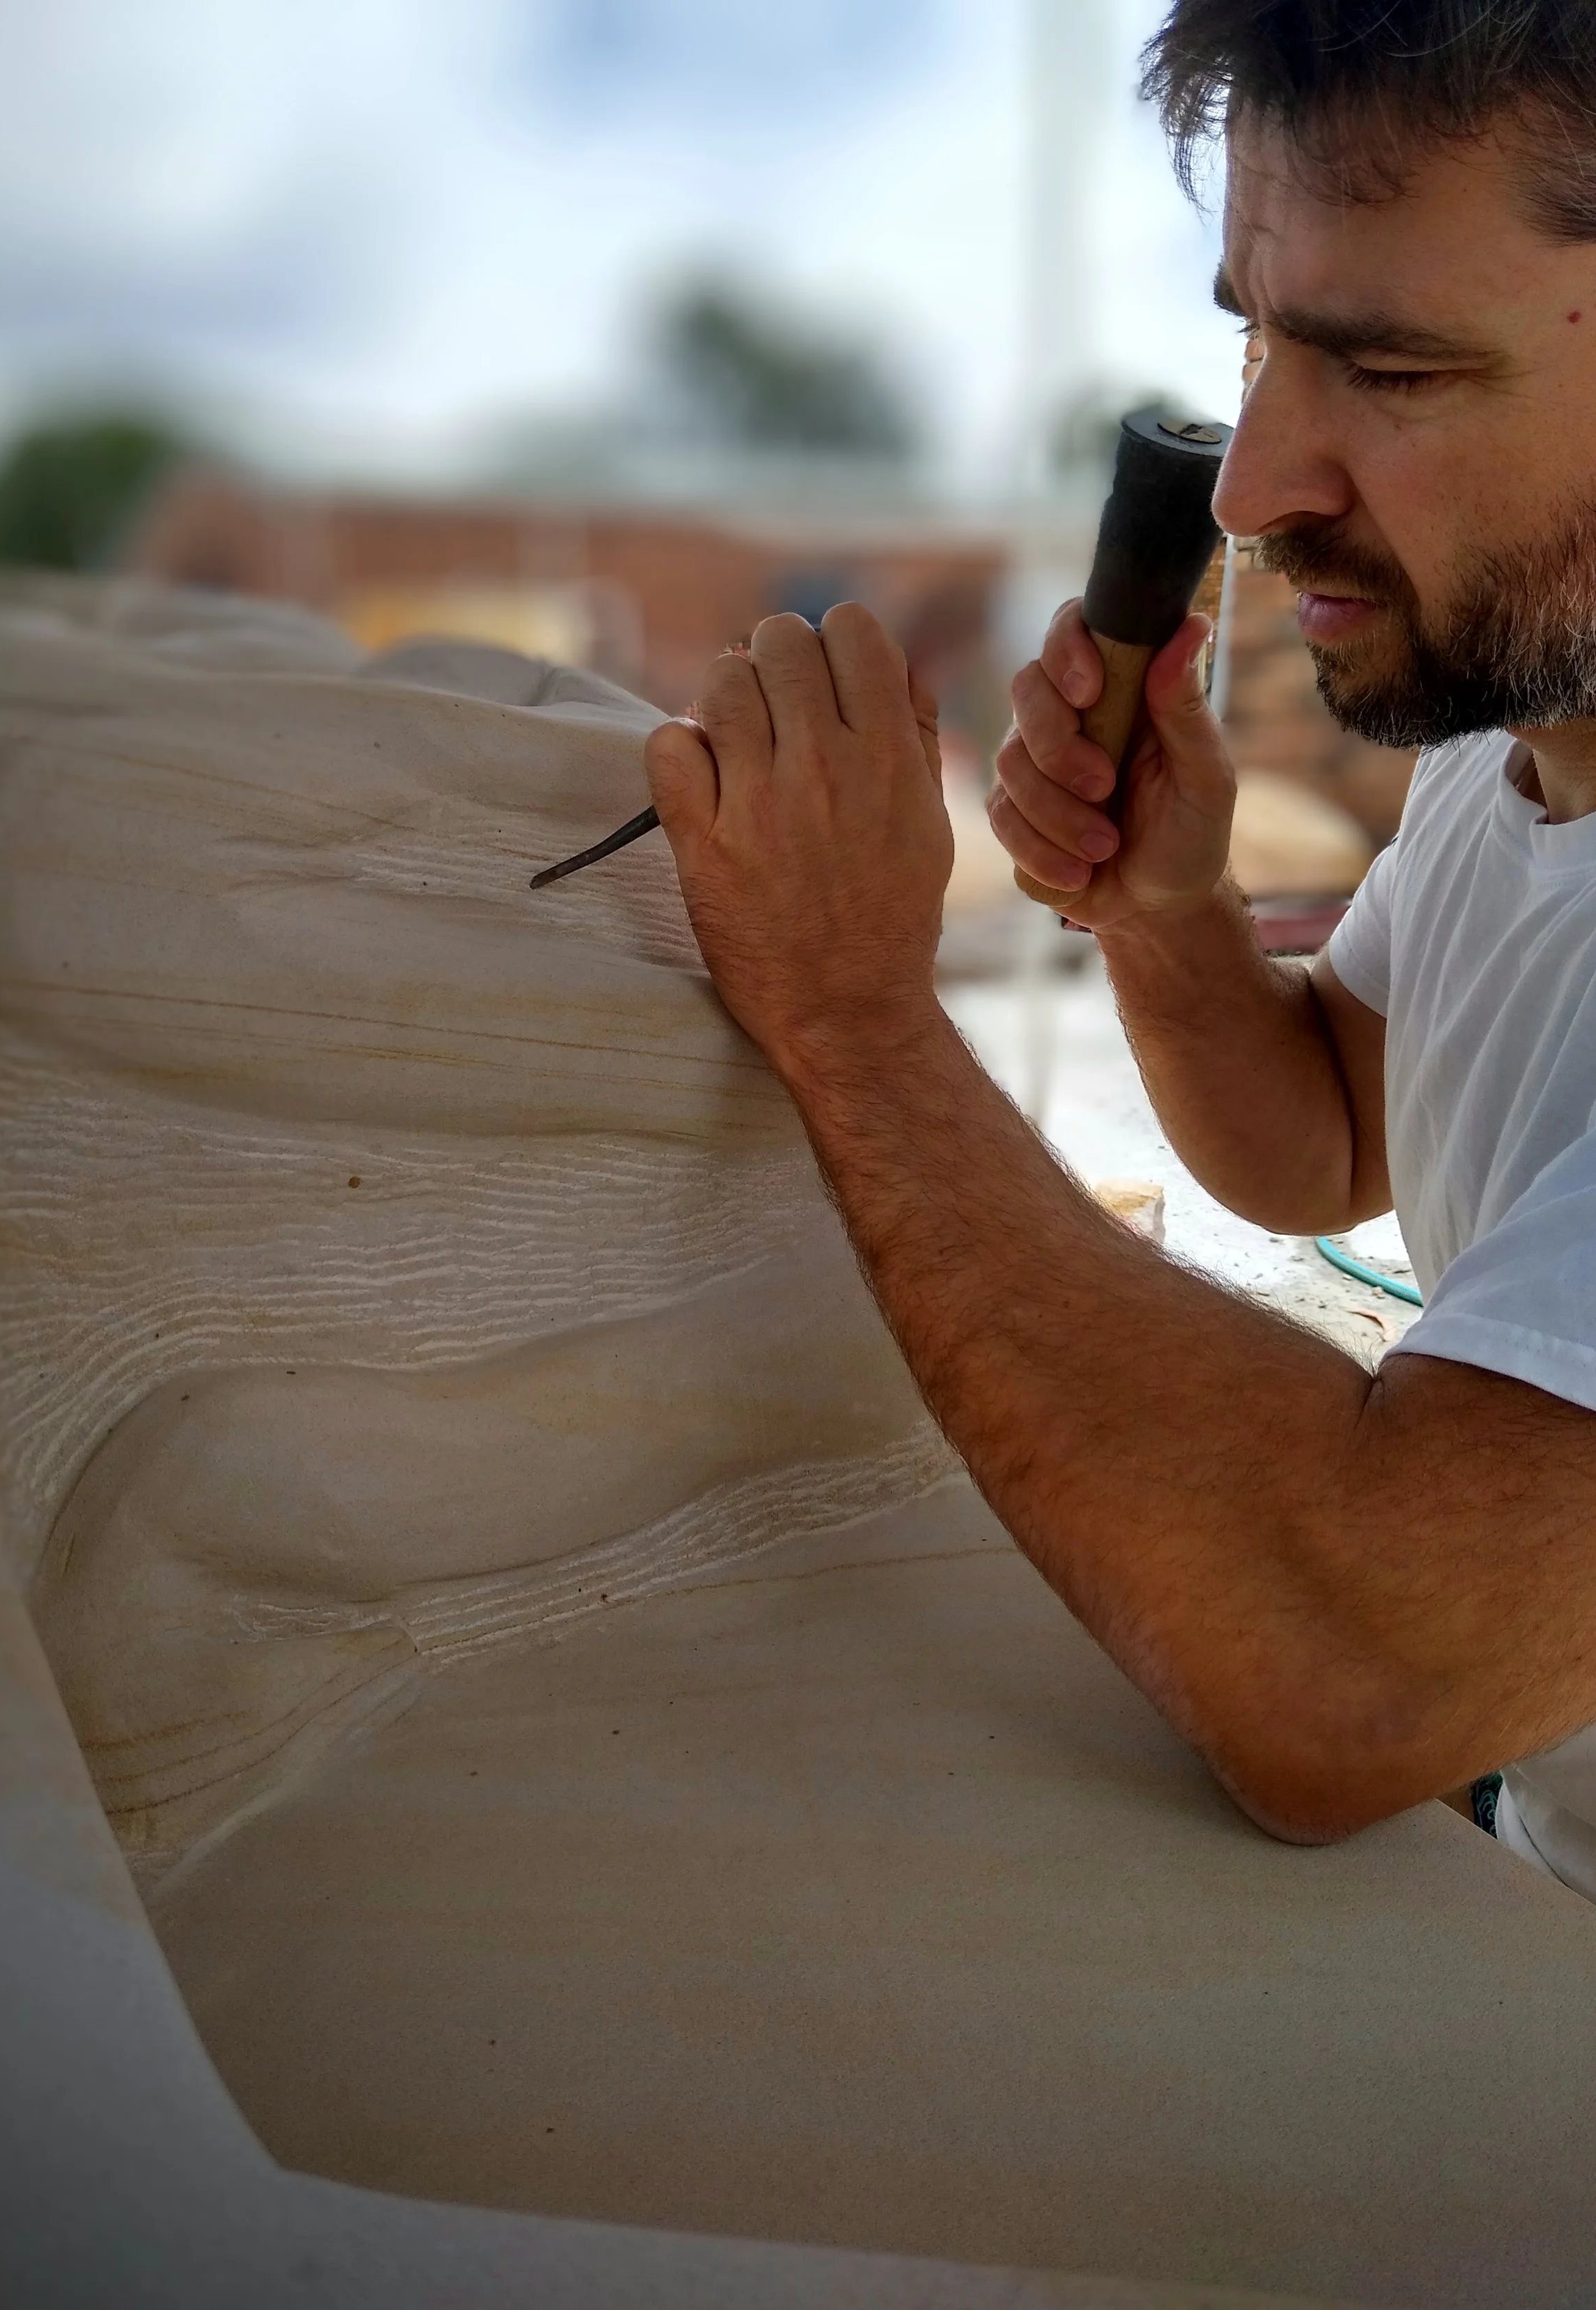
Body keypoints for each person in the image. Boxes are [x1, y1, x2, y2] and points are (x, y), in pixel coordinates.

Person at [644, 0, 1596, 1902]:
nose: (1246, 487)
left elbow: (1343, 1670)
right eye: (1252, 337)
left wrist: (847, 1011)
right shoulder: (1521, 764)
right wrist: (1166, 912)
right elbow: (1325, 1133)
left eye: (1388, 367)